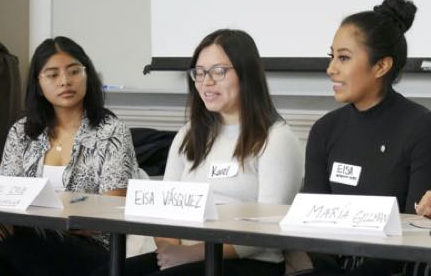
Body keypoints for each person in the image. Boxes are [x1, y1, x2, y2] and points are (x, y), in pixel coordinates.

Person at [92, 29, 303, 276]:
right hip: (184, 254)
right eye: (199, 73)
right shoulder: (189, 134)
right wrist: (170, 246)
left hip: (249, 261)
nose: (206, 82)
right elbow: (163, 208)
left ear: (247, 74)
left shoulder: (276, 139)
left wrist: (193, 254)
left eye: (218, 72)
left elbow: (268, 232)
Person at [0, 36, 142, 276]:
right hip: (28, 245)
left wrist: (48, 219)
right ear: (38, 84)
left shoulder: (111, 131)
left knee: (12, 231)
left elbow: (112, 210)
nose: (65, 81)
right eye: (53, 75)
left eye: (74, 71)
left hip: (93, 252)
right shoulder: (22, 132)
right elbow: (6, 201)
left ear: (88, 76)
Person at [303, 0, 431, 275]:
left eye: (344, 58)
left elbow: (415, 230)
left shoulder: (420, 127)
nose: (330, 69)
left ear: (381, 66)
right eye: (332, 56)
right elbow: (310, 222)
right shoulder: (325, 130)